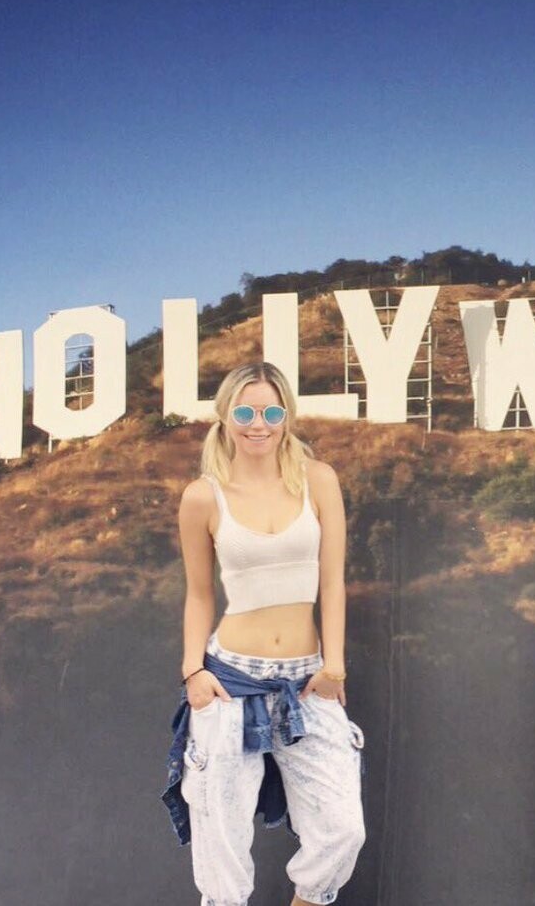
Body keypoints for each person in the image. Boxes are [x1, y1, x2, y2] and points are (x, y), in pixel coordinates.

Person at [162, 362, 365, 906]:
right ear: (225, 416)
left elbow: (333, 580)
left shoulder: (317, 479)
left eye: (272, 412)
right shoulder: (203, 497)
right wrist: (192, 671)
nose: (259, 424)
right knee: (222, 853)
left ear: (287, 417)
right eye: (246, 412)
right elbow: (199, 594)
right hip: (231, 682)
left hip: (307, 682)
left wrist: (335, 665)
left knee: (343, 830)